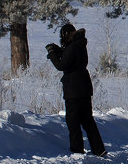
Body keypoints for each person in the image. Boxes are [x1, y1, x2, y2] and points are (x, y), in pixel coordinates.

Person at [45, 23, 107, 157]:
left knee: (73, 121)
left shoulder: (73, 47)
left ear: (66, 35)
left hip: (74, 89)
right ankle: (99, 149)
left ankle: (77, 149)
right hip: (84, 87)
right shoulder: (79, 45)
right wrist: (60, 51)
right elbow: (71, 59)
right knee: (87, 120)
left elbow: (62, 65)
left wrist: (52, 53)